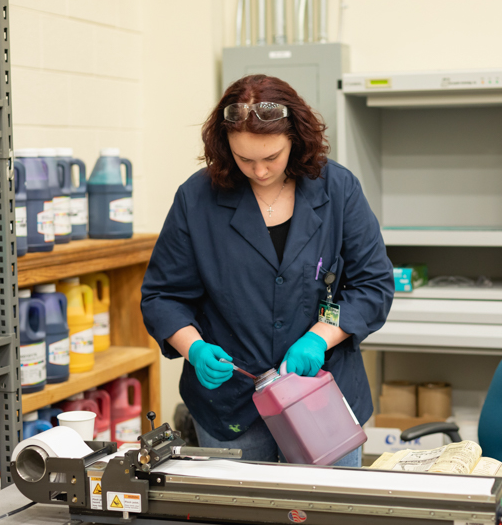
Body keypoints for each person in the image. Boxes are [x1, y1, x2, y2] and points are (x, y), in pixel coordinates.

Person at [141, 74, 394, 466]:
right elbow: (162, 295)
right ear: (225, 147)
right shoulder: (197, 198)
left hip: (321, 397)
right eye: (245, 159)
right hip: (230, 405)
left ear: (295, 137)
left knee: (326, 511)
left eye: (271, 157)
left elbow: (372, 286)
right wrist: (194, 349)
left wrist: (318, 340)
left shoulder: (338, 190)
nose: (259, 172)